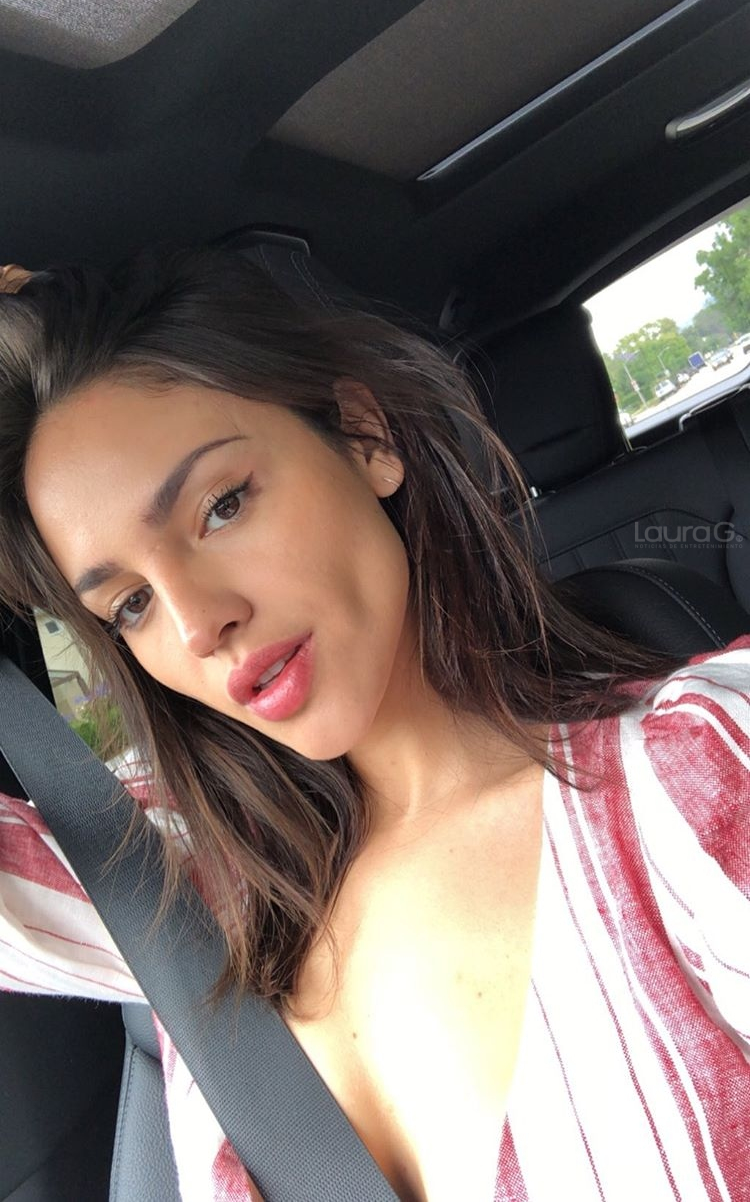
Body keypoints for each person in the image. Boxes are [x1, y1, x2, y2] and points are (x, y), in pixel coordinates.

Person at [0, 247, 747, 1202]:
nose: (195, 624)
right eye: (130, 604)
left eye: (221, 505)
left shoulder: (699, 768)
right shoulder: (179, 885)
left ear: (364, 439)